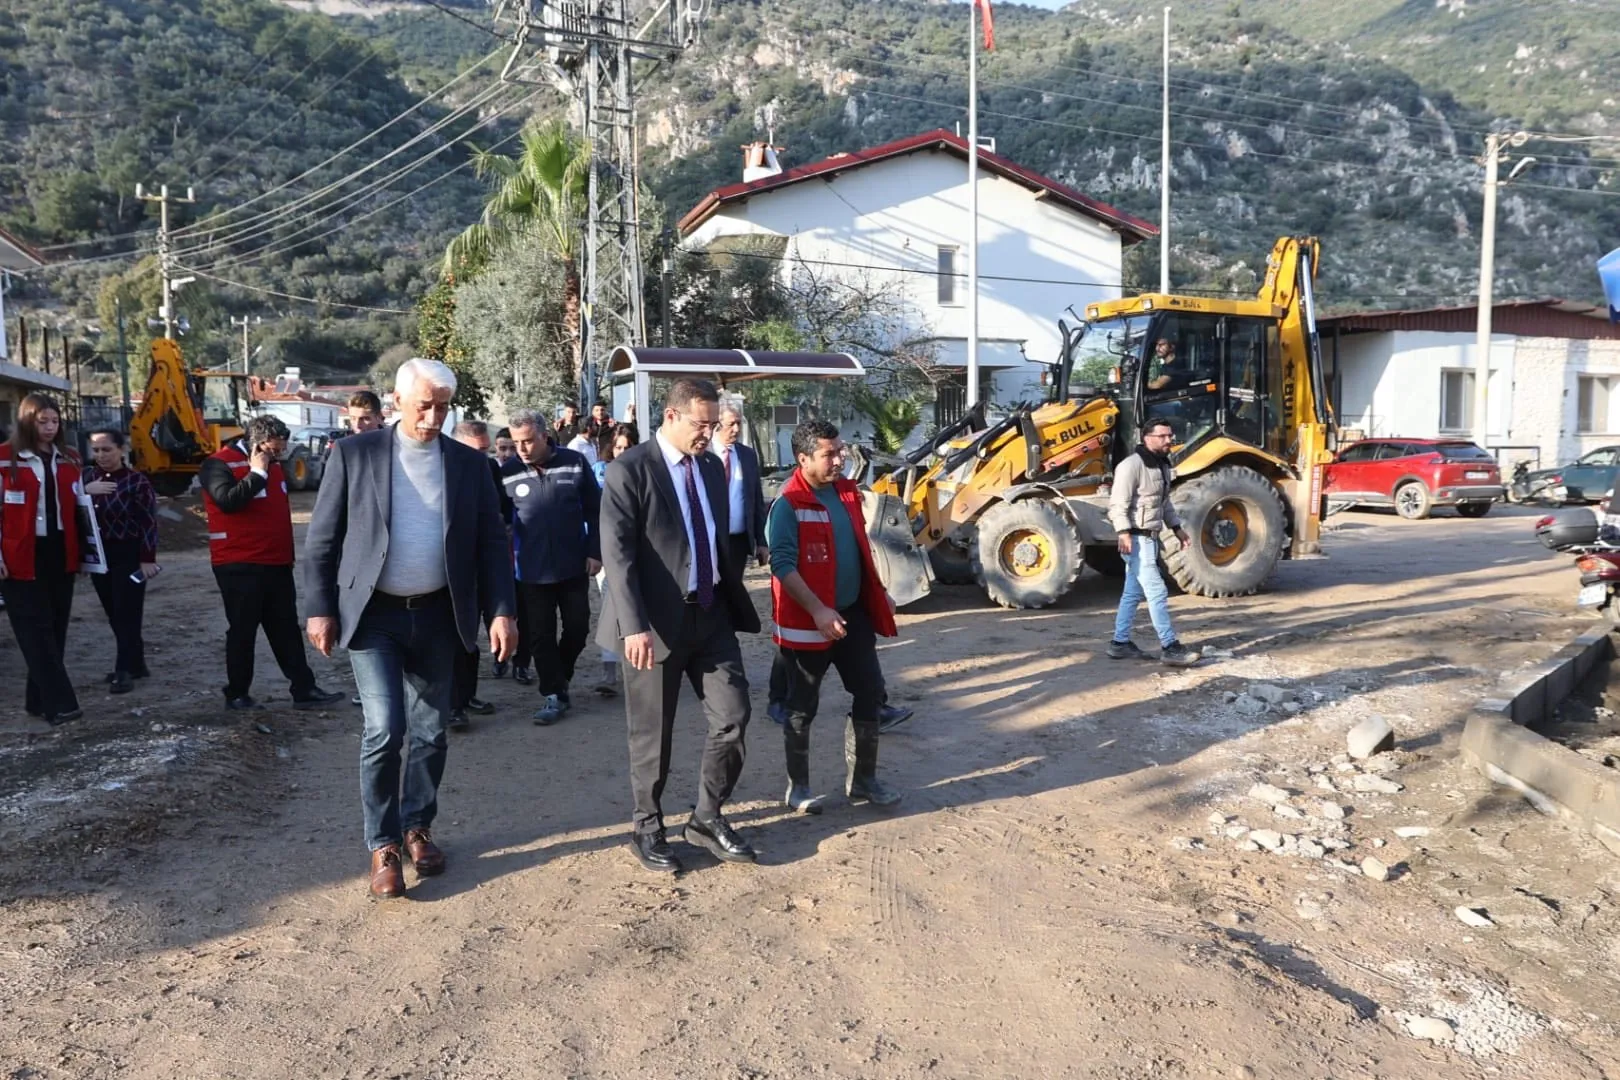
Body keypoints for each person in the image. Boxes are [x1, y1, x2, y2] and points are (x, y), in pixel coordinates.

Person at [304, 359, 518, 899]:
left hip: (440, 614)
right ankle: (383, 844)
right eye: (424, 406)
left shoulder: (469, 465)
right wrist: (320, 608)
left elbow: (491, 544)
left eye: (442, 407)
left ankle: (417, 827)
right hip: (374, 615)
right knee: (384, 729)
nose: (433, 417)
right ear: (396, 401)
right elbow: (323, 538)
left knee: (430, 730)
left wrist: (501, 611)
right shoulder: (354, 455)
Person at [598, 378, 761, 872]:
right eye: (701, 424)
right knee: (653, 734)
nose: (709, 434)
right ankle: (647, 826)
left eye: (713, 425)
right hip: (653, 625)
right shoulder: (630, 470)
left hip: (710, 615)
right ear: (671, 416)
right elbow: (618, 556)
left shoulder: (709, 466)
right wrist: (634, 626)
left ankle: (707, 817)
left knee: (733, 717)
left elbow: (710, 536)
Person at [769, 419, 904, 813]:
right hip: (809, 622)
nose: (839, 459)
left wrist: (880, 593)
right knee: (802, 705)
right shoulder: (788, 504)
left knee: (870, 690)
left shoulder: (846, 492)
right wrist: (817, 609)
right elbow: (782, 564)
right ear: (803, 459)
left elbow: (860, 547)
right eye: (829, 454)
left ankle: (863, 781)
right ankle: (798, 789)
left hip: (851, 615)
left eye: (840, 451)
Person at [199, 414, 343, 712]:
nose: (280, 454)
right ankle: (237, 693)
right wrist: (257, 473)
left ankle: (303, 689)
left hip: (276, 563)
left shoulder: (274, 466)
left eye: (282, 449)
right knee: (243, 630)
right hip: (239, 564)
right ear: (257, 444)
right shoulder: (218, 464)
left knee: (285, 628)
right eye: (275, 449)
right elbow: (227, 501)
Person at [502, 410, 601, 725]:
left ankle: (560, 676)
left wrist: (595, 551)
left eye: (528, 441)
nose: (521, 448)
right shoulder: (508, 472)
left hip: (573, 565)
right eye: (516, 442)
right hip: (531, 571)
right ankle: (554, 693)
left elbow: (596, 510)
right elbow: (498, 519)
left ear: (545, 436)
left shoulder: (574, 462)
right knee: (540, 635)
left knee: (578, 628)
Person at [0, 393, 85, 725]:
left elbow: (79, 506)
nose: (50, 427)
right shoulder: (5, 458)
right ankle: (60, 703)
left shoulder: (70, 457)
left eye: (55, 421)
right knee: (34, 630)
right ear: (26, 421)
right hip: (19, 554)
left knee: (55, 627)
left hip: (60, 551)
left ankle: (37, 699)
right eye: (42, 421)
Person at [1106, 417, 1201, 667]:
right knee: (1157, 591)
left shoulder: (1161, 465)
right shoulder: (1131, 466)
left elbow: (1163, 502)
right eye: (1163, 436)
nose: (1169, 440)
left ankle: (1119, 643)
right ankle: (1170, 647)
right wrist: (1123, 533)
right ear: (1147, 438)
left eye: (1170, 435)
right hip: (1137, 540)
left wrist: (1177, 528)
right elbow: (1118, 504)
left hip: (1149, 538)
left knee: (1132, 592)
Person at [84, 429, 159, 694]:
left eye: (107, 450)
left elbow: (148, 522)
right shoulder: (87, 478)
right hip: (99, 555)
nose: (101, 455)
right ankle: (136, 663)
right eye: (96, 450)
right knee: (113, 612)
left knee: (127, 611)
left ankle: (124, 669)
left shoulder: (137, 482)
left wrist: (147, 558)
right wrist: (84, 491)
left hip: (129, 554)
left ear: (122, 449)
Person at [447, 419, 499, 729]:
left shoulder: (487, 469)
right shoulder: (442, 472)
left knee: (470, 638)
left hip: (480, 567)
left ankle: (467, 696)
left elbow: (498, 513)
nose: (484, 457)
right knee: (452, 640)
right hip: (449, 571)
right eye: (477, 451)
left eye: (486, 451)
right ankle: (452, 706)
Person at [711, 405, 769, 573]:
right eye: (731, 424)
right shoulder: (704, 454)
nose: (736, 429)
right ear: (717, 424)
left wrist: (762, 541)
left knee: (734, 584)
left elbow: (757, 500)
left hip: (739, 540)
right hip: (711, 539)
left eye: (739, 423)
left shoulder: (747, 455)